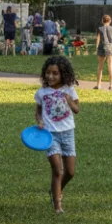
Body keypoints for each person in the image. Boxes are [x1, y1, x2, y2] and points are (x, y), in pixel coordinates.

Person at [35, 56, 80, 214]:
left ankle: (57, 189)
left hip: (68, 133)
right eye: (48, 73)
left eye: (55, 73)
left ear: (63, 74)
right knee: (57, 170)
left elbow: (76, 109)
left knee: (70, 172)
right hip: (50, 135)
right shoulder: (42, 92)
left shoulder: (68, 89)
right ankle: (57, 206)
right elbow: (38, 111)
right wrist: (40, 121)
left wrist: (69, 101)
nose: (50, 76)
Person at [94, 14, 112, 90]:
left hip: (102, 49)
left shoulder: (99, 29)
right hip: (111, 49)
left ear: (102, 20)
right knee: (111, 67)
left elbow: (98, 39)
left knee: (100, 67)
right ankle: (111, 85)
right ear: (110, 21)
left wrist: (97, 47)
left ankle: (98, 85)